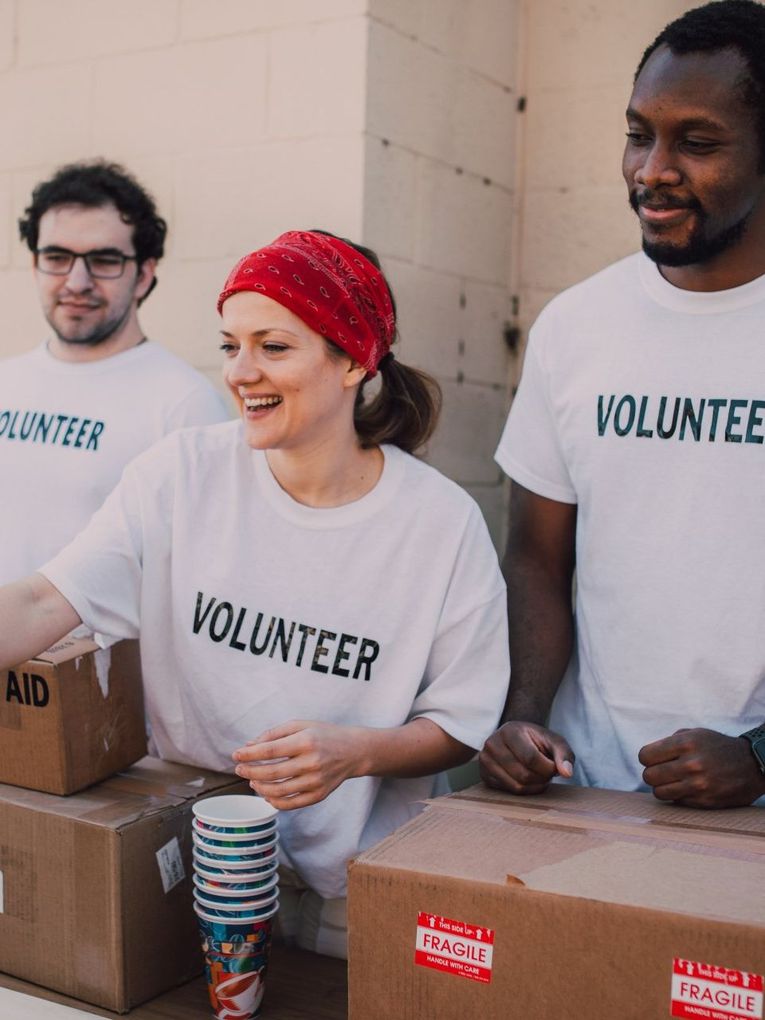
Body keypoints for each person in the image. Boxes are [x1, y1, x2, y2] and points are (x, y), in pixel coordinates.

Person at [0, 229, 509, 956]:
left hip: (357, 899)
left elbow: (461, 722)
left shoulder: (439, 522)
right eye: (230, 344)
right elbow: (44, 603)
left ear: (353, 361)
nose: (240, 371)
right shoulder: (180, 474)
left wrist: (356, 751)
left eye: (273, 346)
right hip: (198, 871)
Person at [479, 0, 765, 810]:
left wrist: (760, 757)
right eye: (639, 134)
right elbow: (537, 558)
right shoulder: (576, 325)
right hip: (589, 789)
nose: (652, 170)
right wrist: (522, 718)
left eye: (697, 143)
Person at [0, 160, 229, 584]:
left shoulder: (186, 407)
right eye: (57, 257)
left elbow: (207, 573)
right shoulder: (5, 382)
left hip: (100, 653)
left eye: (104, 260)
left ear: (143, 275)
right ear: (34, 266)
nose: (77, 281)